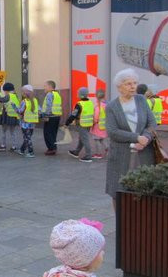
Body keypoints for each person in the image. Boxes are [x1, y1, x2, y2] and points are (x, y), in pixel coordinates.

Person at [104, 69, 156, 203]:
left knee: (145, 190)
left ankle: (140, 221)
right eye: (128, 84)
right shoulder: (111, 106)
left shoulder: (141, 100)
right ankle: (121, 221)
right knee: (118, 191)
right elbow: (112, 131)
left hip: (144, 153)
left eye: (135, 83)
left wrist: (145, 138)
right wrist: (136, 138)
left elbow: (152, 123)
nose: (133, 86)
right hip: (120, 155)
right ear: (119, 87)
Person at [65, 87, 95, 163]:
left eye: (78, 93)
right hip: (89, 123)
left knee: (85, 139)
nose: (77, 94)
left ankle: (88, 156)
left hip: (82, 124)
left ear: (81, 95)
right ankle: (76, 152)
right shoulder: (90, 102)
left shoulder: (79, 105)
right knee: (82, 138)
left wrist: (67, 123)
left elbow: (73, 115)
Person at [13, 84, 38, 158]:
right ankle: (22, 150)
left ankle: (31, 152)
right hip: (32, 122)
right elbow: (38, 110)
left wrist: (14, 106)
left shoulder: (24, 101)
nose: (22, 93)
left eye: (22, 91)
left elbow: (20, 111)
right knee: (28, 137)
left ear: (25, 93)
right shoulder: (35, 100)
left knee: (27, 138)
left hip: (25, 122)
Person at [40, 80, 64, 155]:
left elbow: (48, 106)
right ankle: (54, 147)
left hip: (50, 116)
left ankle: (51, 148)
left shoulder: (49, 94)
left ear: (50, 87)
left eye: (45, 86)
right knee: (53, 133)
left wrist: (44, 115)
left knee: (47, 133)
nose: (44, 87)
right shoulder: (57, 94)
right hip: (56, 116)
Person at [0, 82, 21, 153]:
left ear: (6, 90)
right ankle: (14, 146)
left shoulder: (9, 96)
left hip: (7, 116)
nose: (4, 92)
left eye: (4, 90)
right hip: (14, 116)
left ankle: (3, 145)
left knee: (3, 131)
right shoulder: (15, 96)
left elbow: (1, 100)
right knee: (13, 132)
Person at [91, 89, 108, 159]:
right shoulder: (106, 105)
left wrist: (93, 122)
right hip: (104, 125)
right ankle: (108, 148)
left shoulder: (98, 106)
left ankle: (98, 154)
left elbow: (96, 116)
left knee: (97, 140)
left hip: (97, 126)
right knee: (102, 139)